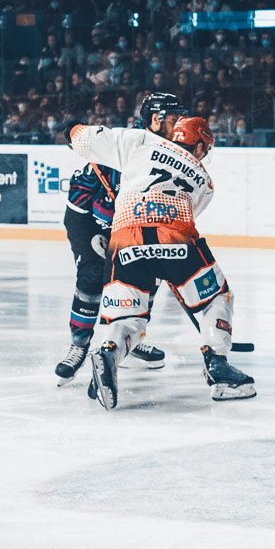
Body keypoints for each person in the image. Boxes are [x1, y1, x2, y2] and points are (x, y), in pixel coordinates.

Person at [68, 104, 255, 408]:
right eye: (205, 149)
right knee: (216, 298)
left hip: (125, 240)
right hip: (176, 238)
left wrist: (72, 129)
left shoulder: (142, 141)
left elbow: (87, 140)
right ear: (198, 145)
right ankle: (218, 366)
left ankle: (109, 352)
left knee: (129, 318)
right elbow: (188, 213)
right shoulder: (205, 181)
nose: (204, 154)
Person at [54, 95, 179, 385]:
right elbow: (80, 207)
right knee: (92, 274)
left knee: (149, 278)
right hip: (90, 219)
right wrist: (97, 236)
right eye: (174, 119)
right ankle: (79, 345)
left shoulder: (174, 151)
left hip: (132, 223)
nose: (178, 126)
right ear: (156, 120)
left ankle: (128, 338)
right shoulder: (125, 144)